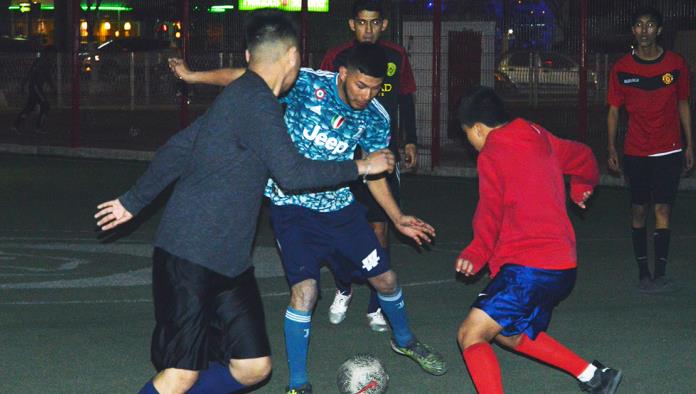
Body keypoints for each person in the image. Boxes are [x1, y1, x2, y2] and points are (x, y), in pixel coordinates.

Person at [94, 11, 394, 394]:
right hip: (190, 256)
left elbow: (178, 147)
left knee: (253, 368)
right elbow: (294, 175)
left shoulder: (243, 97)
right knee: (180, 375)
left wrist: (132, 202)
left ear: (250, 56)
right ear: (292, 58)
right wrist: (362, 165)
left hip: (230, 262)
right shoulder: (255, 102)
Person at [170, 42, 447, 394]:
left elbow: (374, 172)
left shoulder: (376, 117)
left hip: (341, 209)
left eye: (375, 88)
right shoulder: (307, 84)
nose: (366, 95)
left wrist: (397, 217)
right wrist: (193, 76)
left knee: (387, 281)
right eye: (361, 85)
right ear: (343, 74)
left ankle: (405, 340)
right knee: (305, 293)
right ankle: (298, 384)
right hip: (292, 207)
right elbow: (247, 79)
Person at [455, 87, 622, 394]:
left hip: (529, 265)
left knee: (471, 334)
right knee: (508, 332)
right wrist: (581, 184)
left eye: (469, 136)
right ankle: (594, 376)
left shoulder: (492, 152)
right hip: (562, 265)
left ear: (478, 129)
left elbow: (489, 211)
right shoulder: (535, 133)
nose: (471, 143)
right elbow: (583, 155)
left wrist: (477, 251)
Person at [320, 0, 419, 332]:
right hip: (342, 159)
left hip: (381, 157)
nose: (368, 29)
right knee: (334, 233)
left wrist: (410, 139)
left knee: (380, 230)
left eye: (374, 23)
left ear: (384, 25)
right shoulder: (335, 58)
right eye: (362, 23)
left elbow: (405, 98)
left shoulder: (397, 56)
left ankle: (376, 306)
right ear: (352, 25)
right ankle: (343, 286)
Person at [607, 6, 692, 293]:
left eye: (650, 25)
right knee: (639, 210)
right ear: (633, 31)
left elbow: (683, 103)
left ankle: (661, 273)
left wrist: (690, 144)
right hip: (635, 151)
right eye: (639, 26)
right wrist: (611, 147)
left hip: (669, 150)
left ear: (659, 30)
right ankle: (643, 272)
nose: (644, 31)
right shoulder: (621, 68)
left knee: (663, 208)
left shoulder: (676, 64)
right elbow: (614, 111)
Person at [12, 48, 54, 134]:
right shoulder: (42, 62)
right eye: (52, 53)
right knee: (45, 105)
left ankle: (16, 125)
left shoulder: (45, 62)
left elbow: (45, 76)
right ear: (48, 53)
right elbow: (33, 74)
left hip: (35, 87)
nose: (53, 55)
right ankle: (38, 127)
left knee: (30, 107)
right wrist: (25, 85)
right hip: (36, 87)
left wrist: (52, 86)